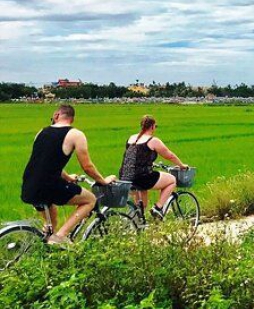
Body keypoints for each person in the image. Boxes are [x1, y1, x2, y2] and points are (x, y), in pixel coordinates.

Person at [21, 105, 115, 245]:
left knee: (51, 225)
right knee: (90, 200)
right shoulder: (76, 134)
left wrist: (68, 178)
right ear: (72, 119)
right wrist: (103, 181)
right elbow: (87, 166)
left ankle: (46, 248)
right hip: (49, 186)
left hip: (29, 185)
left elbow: (45, 163)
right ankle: (61, 237)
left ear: (57, 115)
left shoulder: (41, 132)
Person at [119, 115, 189, 219]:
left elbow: (134, 157)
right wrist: (182, 165)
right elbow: (169, 155)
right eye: (155, 126)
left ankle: (137, 225)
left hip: (125, 176)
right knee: (172, 180)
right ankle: (158, 207)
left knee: (142, 206)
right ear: (152, 126)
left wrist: (149, 164)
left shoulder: (131, 138)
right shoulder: (153, 140)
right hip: (142, 178)